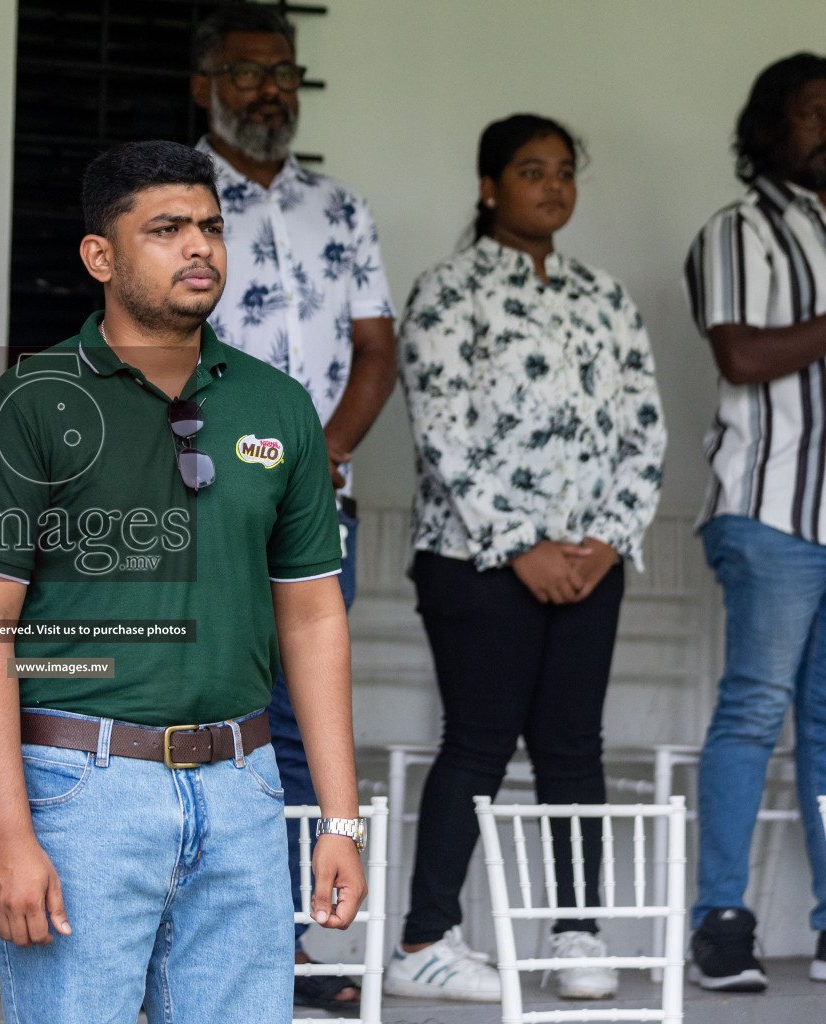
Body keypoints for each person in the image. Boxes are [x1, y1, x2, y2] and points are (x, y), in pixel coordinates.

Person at [0, 139, 366, 1024]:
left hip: (245, 787)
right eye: (167, 229)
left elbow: (315, 617)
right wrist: (10, 835)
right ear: (101, 255)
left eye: (210, 227)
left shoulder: (278, 405)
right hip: (81, 788)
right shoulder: (28, 402)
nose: (200, 247)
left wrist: (338, 818)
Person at [387, 114, 666, 1003]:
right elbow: (442, 433)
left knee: (573, 747)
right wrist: (523, 548)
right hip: (474, 560)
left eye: (563, 172)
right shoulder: (447, 291)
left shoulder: (605, 296)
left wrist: (606, 542)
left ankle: (576, 931)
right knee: (477, 741)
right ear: (488, 187)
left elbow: (646, 429)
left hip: (591, 561)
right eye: (530, 170)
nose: (552, 186)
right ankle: (426, 941)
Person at [188, 5, 395, 1011]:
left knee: (305, 716)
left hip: (316, 508)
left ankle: (292, 940)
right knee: (214, 701)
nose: (269, 88)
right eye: (246, 71)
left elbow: (377, 348)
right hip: (205, 505)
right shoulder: (176, 202)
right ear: (205, 85)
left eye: (284, 72)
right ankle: (208, 933)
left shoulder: (341, 207)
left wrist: (325, 454)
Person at [682, 51, 826, 992]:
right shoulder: (739, 231)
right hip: (771, 510)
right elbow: (739, 353)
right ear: (769, 126)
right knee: (752, 713)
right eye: (815, 111)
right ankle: (721, 926)